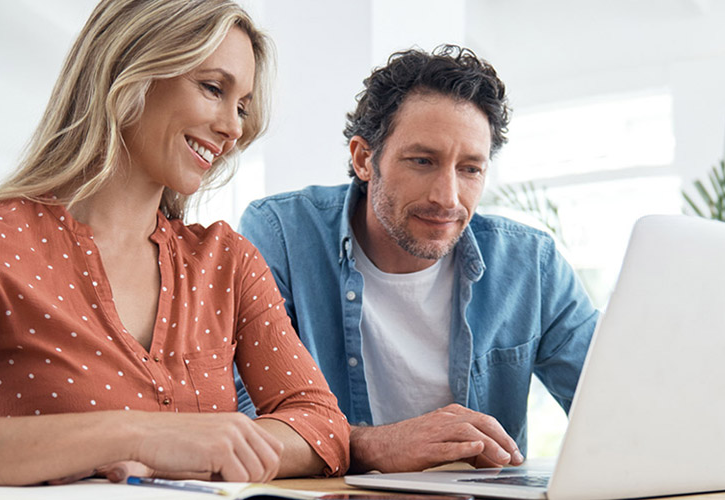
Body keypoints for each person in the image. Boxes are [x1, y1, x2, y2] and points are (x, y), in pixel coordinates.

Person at [0, 0, 348, 497]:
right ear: (131, 73)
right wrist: (134, 435)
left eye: (242, 107)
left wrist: (202, 448)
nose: (233, 127)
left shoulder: (227, 262)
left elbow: (322, 426)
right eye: (212, 88)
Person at [235, 45, 599, 474]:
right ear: (363, 158)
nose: (447, 198)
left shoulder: (530, 263)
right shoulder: (282, 234)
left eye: (470, 169)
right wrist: (373, 446)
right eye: (422, 161)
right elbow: (243, 421)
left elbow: (616, 408)